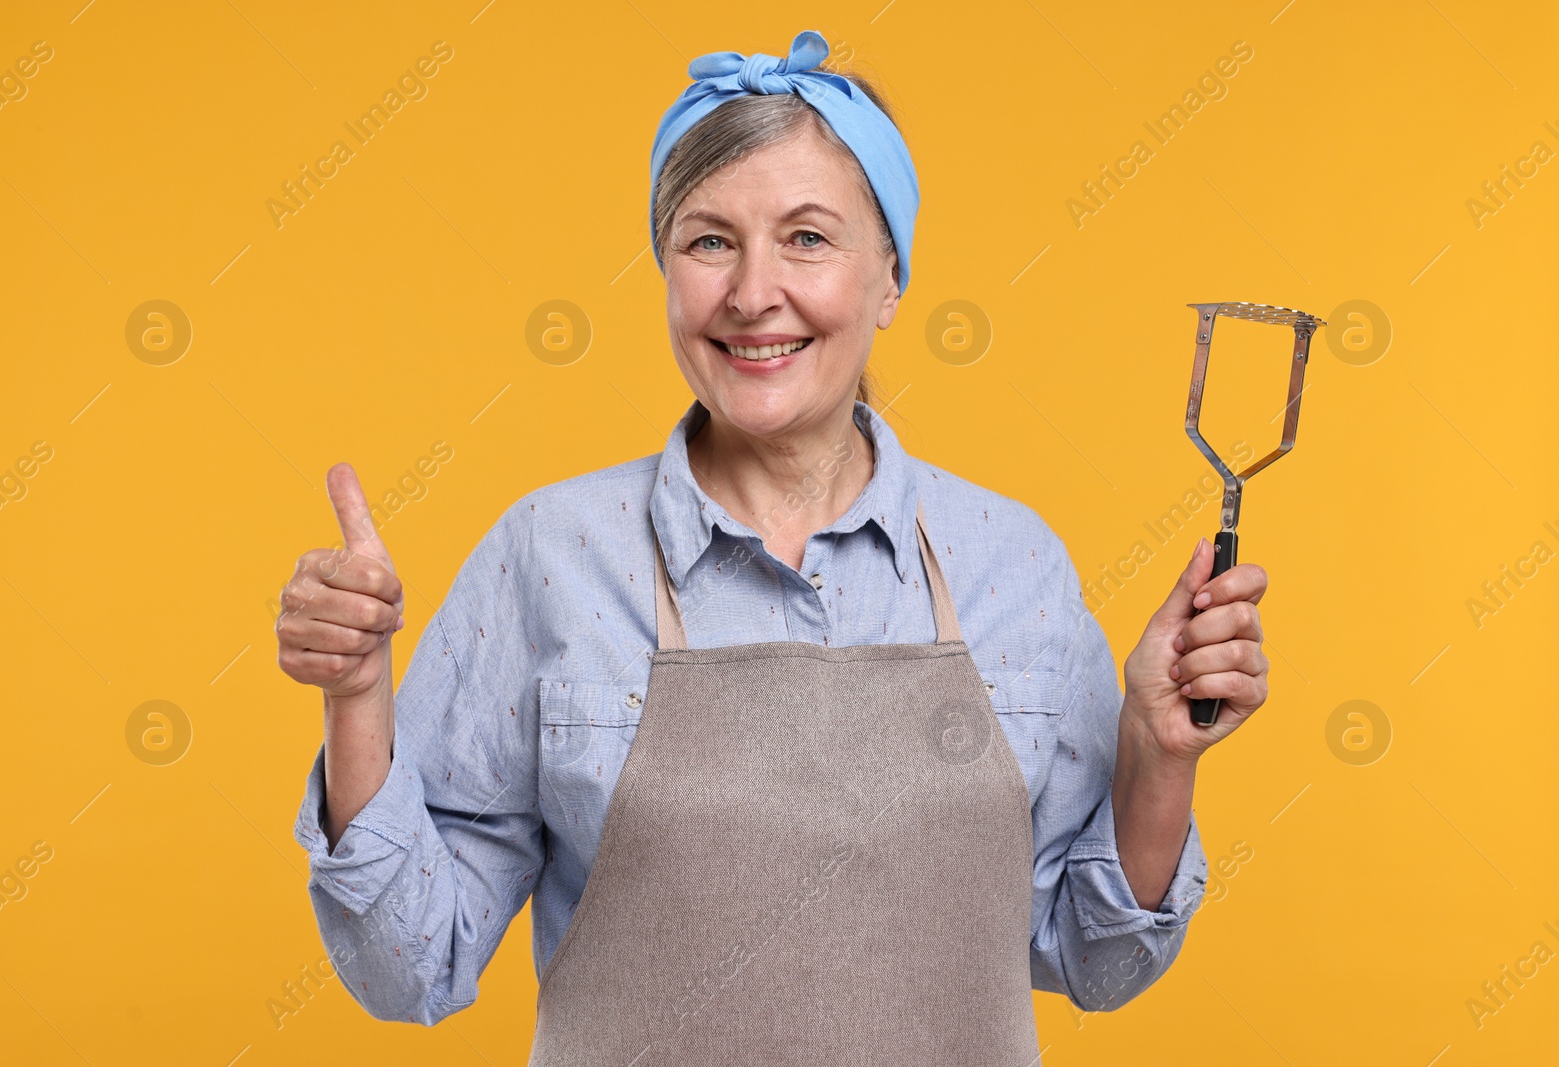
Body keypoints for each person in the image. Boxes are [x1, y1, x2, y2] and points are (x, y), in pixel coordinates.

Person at [276, 29, 1270, 1060]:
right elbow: (407, 965)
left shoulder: (1007, 562)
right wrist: (356, 700)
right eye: (710, 240)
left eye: (806, 238)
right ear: (665, 271)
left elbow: (1094, 961)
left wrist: (1158, 755)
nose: (753, 294)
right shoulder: (549, 557)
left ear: (890, 279)